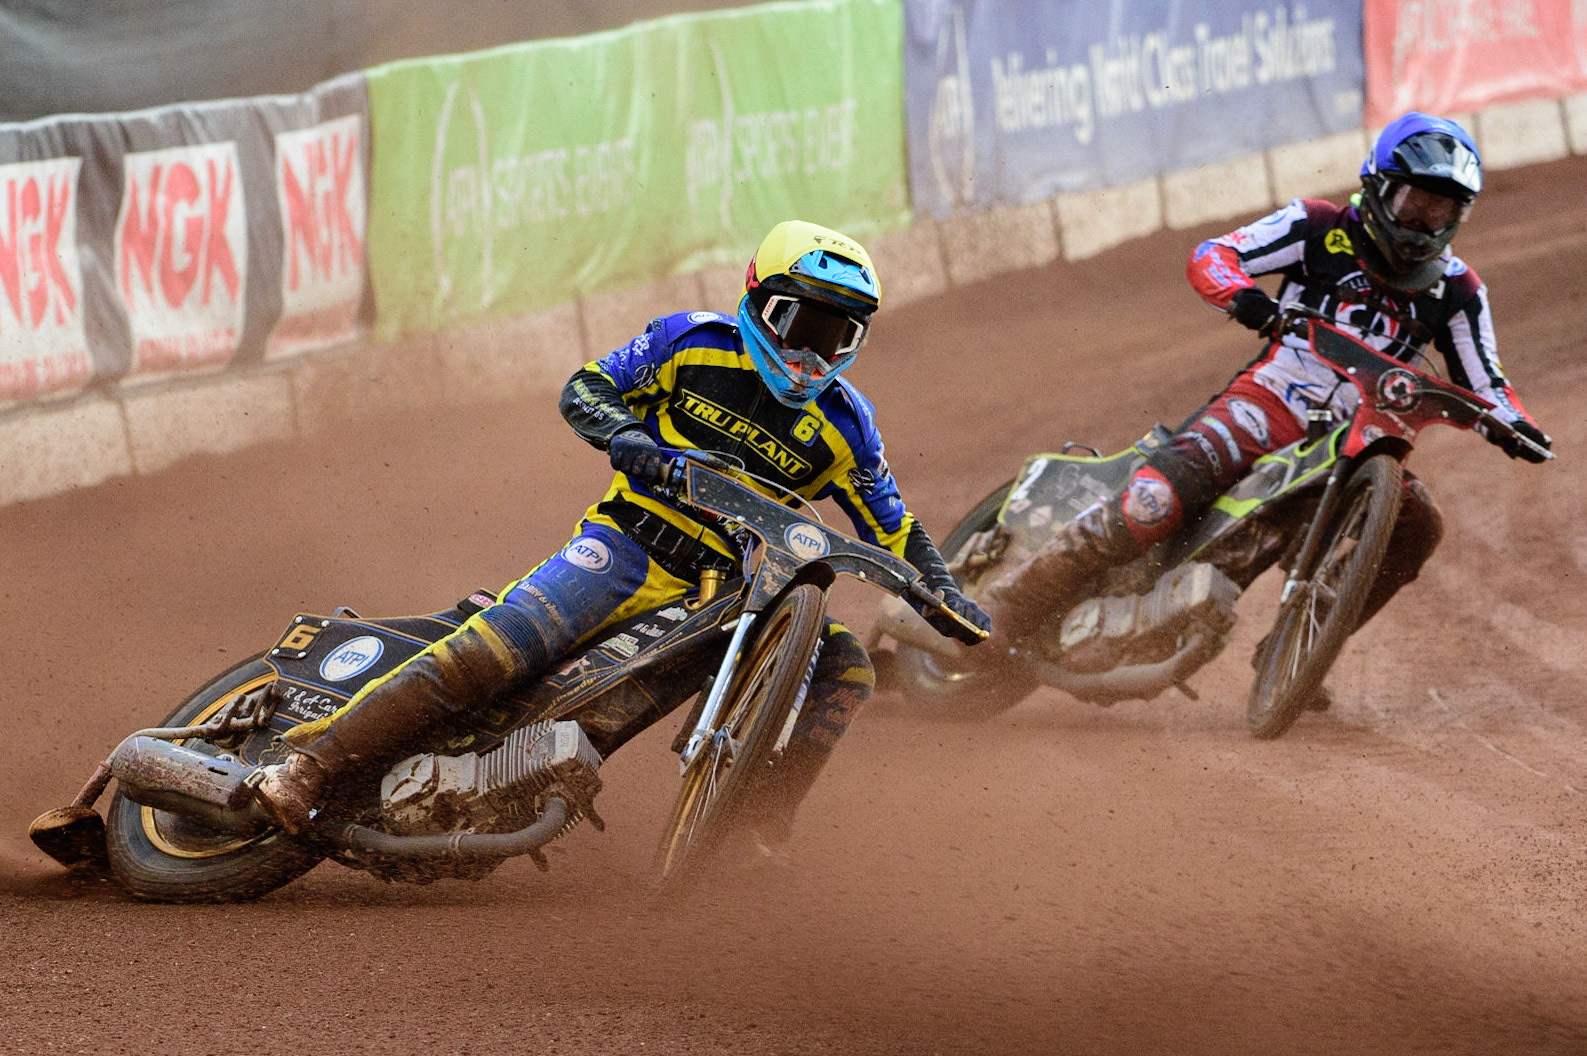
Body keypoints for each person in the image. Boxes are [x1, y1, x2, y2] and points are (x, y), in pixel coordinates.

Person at [252, 219, 991, 838]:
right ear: (757, 303)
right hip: (626, 545)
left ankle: (760, 828)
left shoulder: (847, 428)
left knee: (847, 666)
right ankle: (306, 767)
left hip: (730, 590)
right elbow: (588, 387)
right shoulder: (689, 341)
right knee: (496, 654)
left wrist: (943, 593)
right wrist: (631, 442)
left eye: (836, 336)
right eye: (799, 325)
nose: (809, 355)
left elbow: (894, 528)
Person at [978, 112, 1551, 673]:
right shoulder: (1317, 227)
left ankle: (1297, 648)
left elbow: (1488, 385)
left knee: (1419, 525)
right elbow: (1214, 256)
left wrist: (1515, 425)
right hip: (1267, 406)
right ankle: (1009, 603)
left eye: (1441, 209)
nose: (1424, 220)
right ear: (1378, 188)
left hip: (1361, 441)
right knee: (1151, 502)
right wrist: (1246, 299)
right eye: (1414, 201)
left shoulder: (1459, 290)